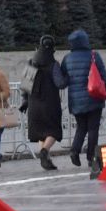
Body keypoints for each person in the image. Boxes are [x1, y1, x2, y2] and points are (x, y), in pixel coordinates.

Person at [57, 29, 106, 176]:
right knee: (93, 128)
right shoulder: (94, 55)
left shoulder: (67, 58)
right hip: (94, 97)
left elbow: (63, 79)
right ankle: (91, 157)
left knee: (81, 127)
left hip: (76, 100)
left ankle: (74, 151)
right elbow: (103, 76)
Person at [23, 36, 65, 171]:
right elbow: (60, 83)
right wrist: (68, 77)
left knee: (41, 132)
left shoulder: (31, 62)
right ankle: (45, 151)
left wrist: (24, 100)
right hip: (50, 103)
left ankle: (46, 160)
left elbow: (25, 84)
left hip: (34, 103)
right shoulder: (54, 64)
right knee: (53, 130)